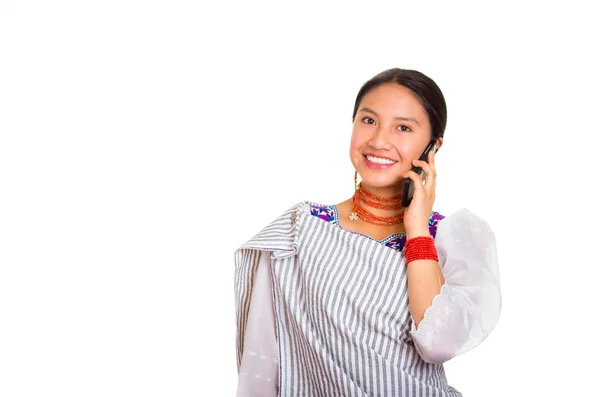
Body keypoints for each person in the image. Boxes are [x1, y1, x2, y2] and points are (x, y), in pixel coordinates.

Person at [233, 68, 502, 397]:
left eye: (403, 127)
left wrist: (417, 231)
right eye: (368, 120)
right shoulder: (297, 232)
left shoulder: (452, 238)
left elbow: (438, 344)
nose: (378, 140)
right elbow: (262, 363)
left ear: (434, 146)